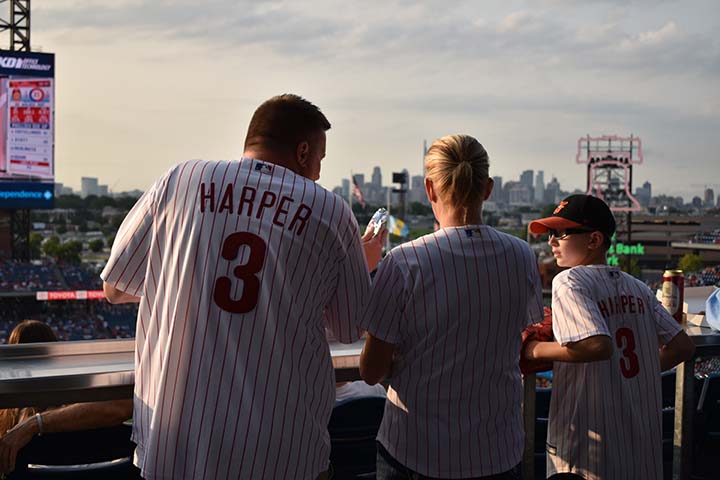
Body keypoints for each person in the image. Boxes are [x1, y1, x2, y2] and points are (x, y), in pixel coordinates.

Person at [101, 94, 386, 480]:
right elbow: (349, 327)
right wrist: (358, 263)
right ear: (303, 152)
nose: (318, 172)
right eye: (319, 158)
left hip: (174, 443)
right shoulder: (330, 210)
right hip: (282, 450)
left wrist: (186, 278)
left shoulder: (180, 179)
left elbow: (116, 287)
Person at [359, 134, 544, 479]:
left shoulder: (403, 262)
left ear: (430, 190)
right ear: (488, 188)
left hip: (415, 451)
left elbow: (371, 370)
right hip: (497, 452)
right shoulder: (522, 256)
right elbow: (516, 329)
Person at [525, 194, 696, 480]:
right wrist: (635, 370)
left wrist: (535, 350)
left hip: (587, 450)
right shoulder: (638, 286)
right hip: (639, 448)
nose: (551, 241)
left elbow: (596, 345)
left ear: (593, 240)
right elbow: (683, 346)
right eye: (550, 234)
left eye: (560, 233)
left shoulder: (569, 280)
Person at [0, 320, 133, 475]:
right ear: (54, 355)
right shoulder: (79, 413)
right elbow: (120, 407)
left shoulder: (12, 431)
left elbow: (120, 407)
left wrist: (35, 423)